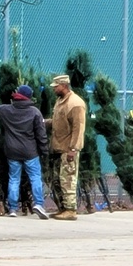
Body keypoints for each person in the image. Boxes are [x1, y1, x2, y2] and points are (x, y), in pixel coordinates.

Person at [0, 84, 50, 219]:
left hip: (12, 151)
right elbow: (41, 135)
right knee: (35, 177)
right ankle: (39, 204)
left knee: (14, 179)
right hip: (30, 152)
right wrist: (44, 151)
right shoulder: (35, 112)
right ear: (29, 97)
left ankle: (12, 208)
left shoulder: (6, 110)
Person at [46, 74, 86, 221]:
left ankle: (70, 210)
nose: (54, 89)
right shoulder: (60, 101)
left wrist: (73, 149)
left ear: (63, 85)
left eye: (56, 86)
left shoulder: (75, 104)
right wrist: (44, 122)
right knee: (57, 179)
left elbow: (78, 128)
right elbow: (58, 121)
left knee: (68, 179)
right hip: (58, 147)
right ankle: (62, 207)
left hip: (68, 149)